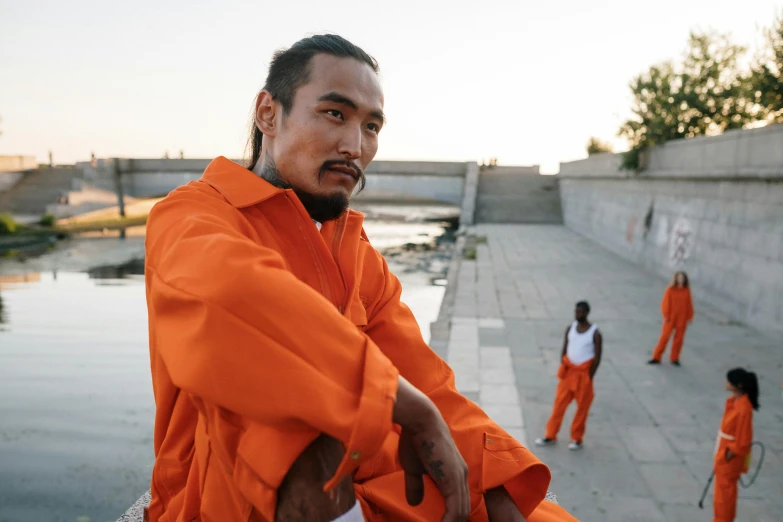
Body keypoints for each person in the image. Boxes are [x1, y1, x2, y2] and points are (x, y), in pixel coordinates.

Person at [144, 34, 576, 522]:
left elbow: (424, 377)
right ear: (269, 113)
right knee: (284, 412)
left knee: (518, 502)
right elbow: (230, 296)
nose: (356, 146)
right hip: (227, 496)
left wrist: (495, 477)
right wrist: (397, 401)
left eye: (371, 126)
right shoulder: (189, 216)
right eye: (334, 114)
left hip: (369, 478)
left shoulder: (354, 249)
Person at [534, 301, 602, 451]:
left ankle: (576, 438)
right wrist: (564, 363)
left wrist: (590, 376)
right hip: (569, 372)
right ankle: (550, 435)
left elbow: (597, 357)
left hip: (583, 375)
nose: (578, 315)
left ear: (587, 313)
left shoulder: (595, 333)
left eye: (581, 312)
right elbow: (565, 348)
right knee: (559, 405)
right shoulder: (570, 329)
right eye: (576, 312)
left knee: (582, 409)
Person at [712, 368, 759, 522]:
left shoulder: (744, 409)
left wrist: (726, 455)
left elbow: (743, 441)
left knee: (724, 497)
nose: (726, 384)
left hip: (729, 459)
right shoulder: (736, 402)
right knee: (721, 495)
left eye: (729, 381)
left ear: (738, 386)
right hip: (724, 454)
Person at [648, 271, 694, 366]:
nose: (680, 279)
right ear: (676, 279)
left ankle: (674, 358)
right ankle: (656, 357)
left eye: (682, 278)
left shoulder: (686, 290)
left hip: (682, 318)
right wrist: (666, 316)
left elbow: (689, 304)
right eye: (679, 277)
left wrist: (690, 317)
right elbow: (665, 304)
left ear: (685, 280)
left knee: (679, 339)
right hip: (671, 318)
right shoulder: (670, 289)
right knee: (664, 337)